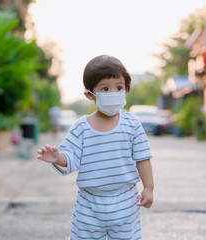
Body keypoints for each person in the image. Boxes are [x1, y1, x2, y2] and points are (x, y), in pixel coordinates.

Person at [37, 55, 154, 239]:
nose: (113, 92)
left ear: (127, 89)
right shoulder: (81, 127)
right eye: (105, 88)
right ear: (90, 94)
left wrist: (148, 188)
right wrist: (57, 157)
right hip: (88, 204)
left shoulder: (132, 124)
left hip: (125, 200)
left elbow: (142, 157)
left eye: (118, 87)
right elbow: (71, 156)